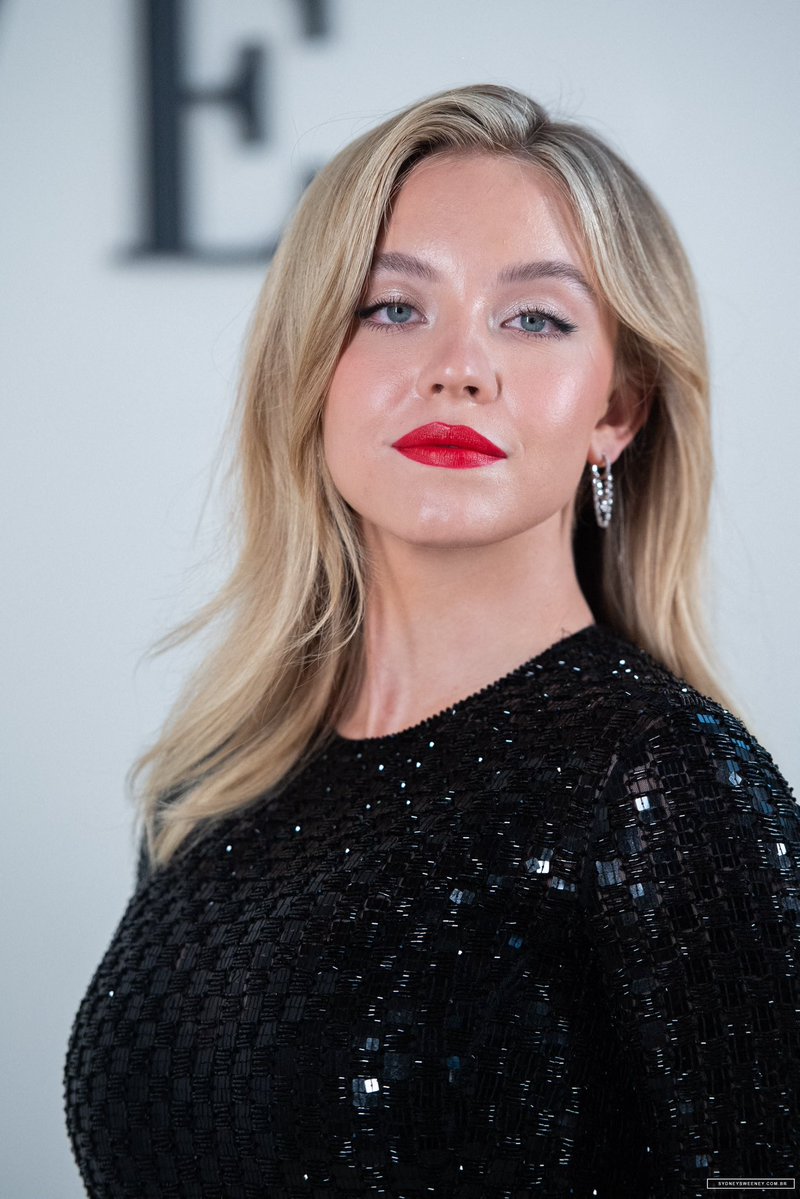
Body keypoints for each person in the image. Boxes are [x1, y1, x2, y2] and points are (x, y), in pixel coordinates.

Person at [63, 83, 799, 1198]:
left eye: (535, 318)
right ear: (312, 368)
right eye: (392, 308)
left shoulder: (662, 780)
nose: (458, 366)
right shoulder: (210, 782)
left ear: (617, 409)